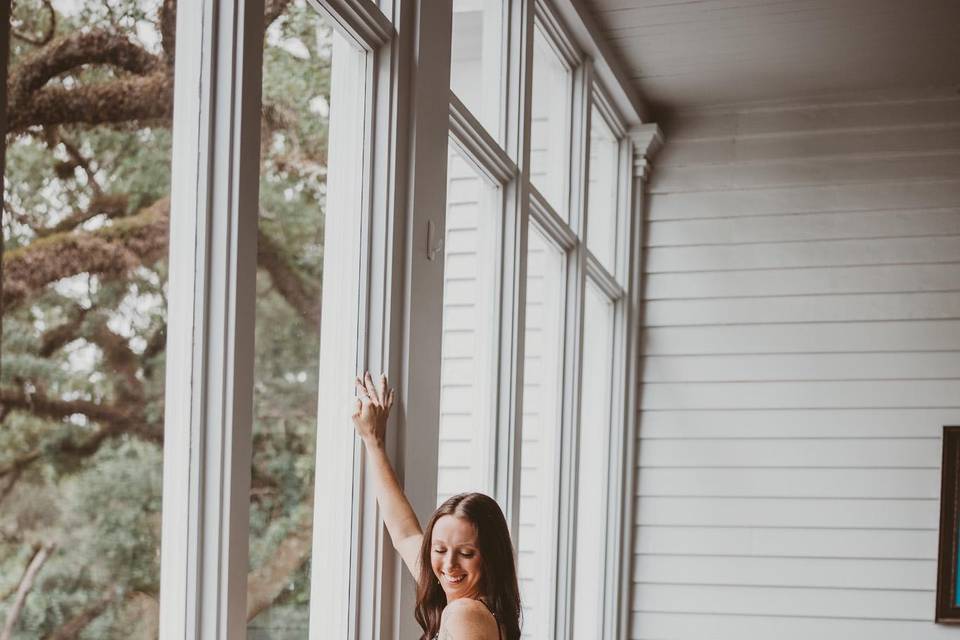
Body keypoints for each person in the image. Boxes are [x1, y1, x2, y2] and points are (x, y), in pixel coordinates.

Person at [353, 372, 522, 640]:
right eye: (439, 549)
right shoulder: (478, 608)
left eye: (466, 553)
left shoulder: (465, 613)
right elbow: (405, 533)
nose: (449, 565)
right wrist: (374, 442)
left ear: (492, 556)